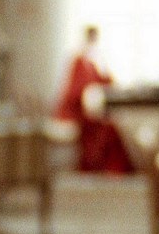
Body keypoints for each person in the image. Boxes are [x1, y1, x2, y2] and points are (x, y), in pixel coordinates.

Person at [55, 25, 133, 174]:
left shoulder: (92, 62)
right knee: (104, 128)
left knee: (110, 127)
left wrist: (104, 65)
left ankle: (115, 167)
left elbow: (107, 82)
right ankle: (98, 165)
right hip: (75, 113)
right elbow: (75, 92)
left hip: (88, 112)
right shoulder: (78, 61)